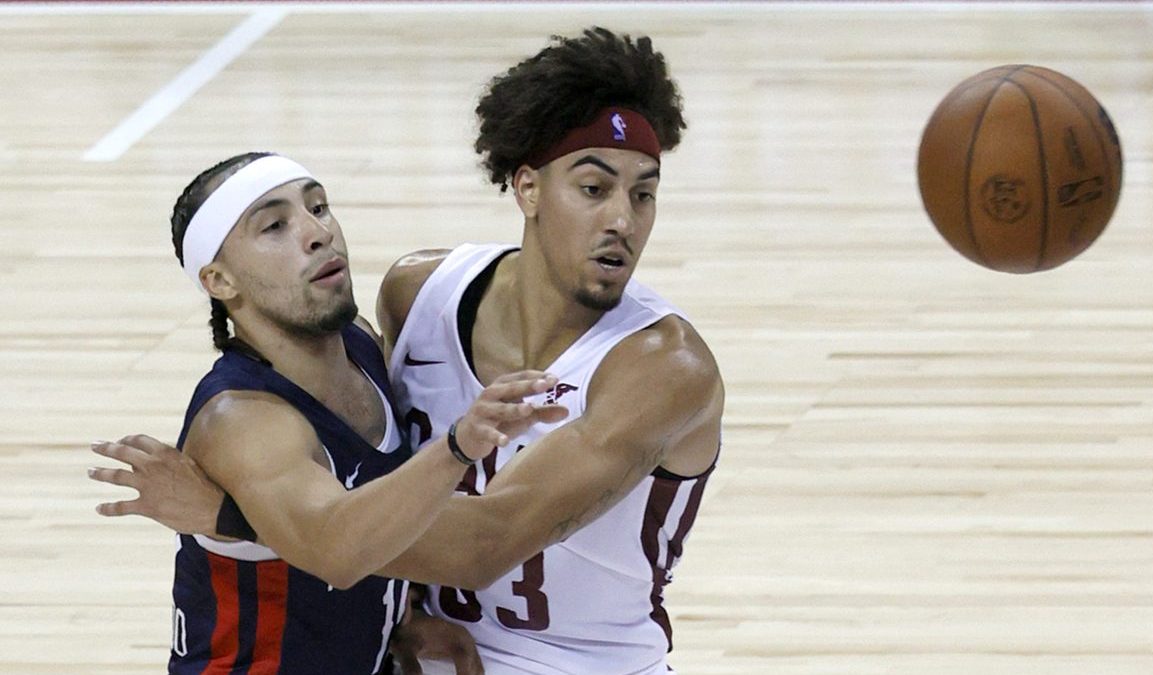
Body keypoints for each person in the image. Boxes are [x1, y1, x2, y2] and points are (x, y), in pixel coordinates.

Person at [92, 27, 723, 674]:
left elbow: (485, 540)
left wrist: (237, 519)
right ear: (528, 188)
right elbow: (373, 499)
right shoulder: (419, 297)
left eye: (644, 194)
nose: (623, 220)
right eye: (594, 189)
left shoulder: (664, 366)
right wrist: (407, 603)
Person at [91, 151, 563, 674]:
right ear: (220, 281)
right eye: (275, 226)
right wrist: (459, 444)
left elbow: (377, 512)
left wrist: (398, 614)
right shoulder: (242, 421)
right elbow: (338, 551)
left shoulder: (357, 343)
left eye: (318, 207)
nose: (318, 233)